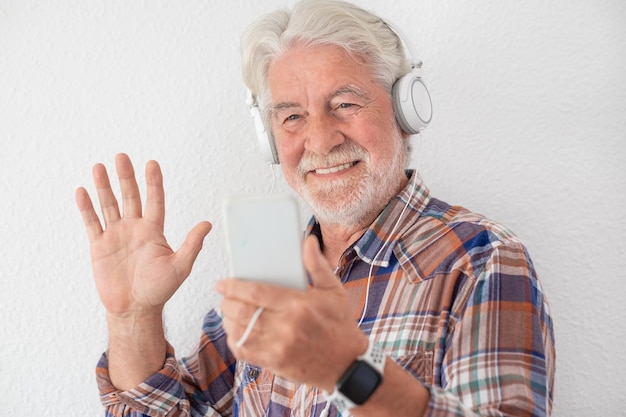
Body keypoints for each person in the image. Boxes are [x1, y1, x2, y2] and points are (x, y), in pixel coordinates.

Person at [75, 0, 555, 416]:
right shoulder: (268, 276)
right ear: (269, 138)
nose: (320, 140)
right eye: (292, 117)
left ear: (405, 111)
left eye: (345, 104)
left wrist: (350, 372)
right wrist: (133, 318)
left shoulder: (480, 259)